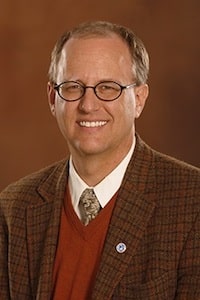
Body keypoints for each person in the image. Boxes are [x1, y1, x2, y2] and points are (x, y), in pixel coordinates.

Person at [0, 20, 200, 300]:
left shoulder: (192, 202)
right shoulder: (15, 207)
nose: (88, 105)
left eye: (108, 87)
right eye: (72, 87)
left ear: (139, 99)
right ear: (52, 98)